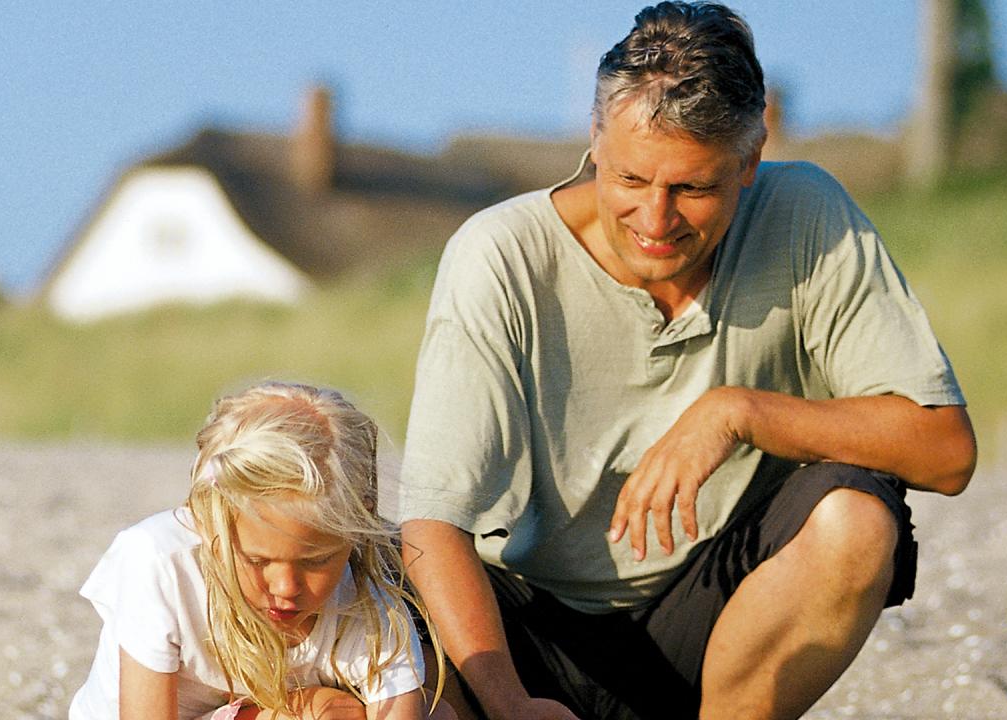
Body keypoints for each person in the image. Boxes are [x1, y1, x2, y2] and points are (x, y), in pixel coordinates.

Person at [395, 2, 977, 719]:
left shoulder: (806, 216)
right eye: (632, 181)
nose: (657, 220)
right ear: (595, 139)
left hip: (708, 627)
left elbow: (945, 451)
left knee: (856, 517)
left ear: (750, 163)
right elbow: (431, 525)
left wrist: (741, 413)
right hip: (529, 636)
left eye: (694, 188)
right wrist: (510, 705)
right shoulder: (500, 255)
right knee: (371, 612)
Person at [70, 382, 451, 720]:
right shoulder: (160, 561)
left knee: (439, 714)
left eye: (316, 560)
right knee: (322, 713)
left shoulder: (365, 601)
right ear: (208, 519)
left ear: (355, 530)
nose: (285, 587)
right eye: (257, 560)